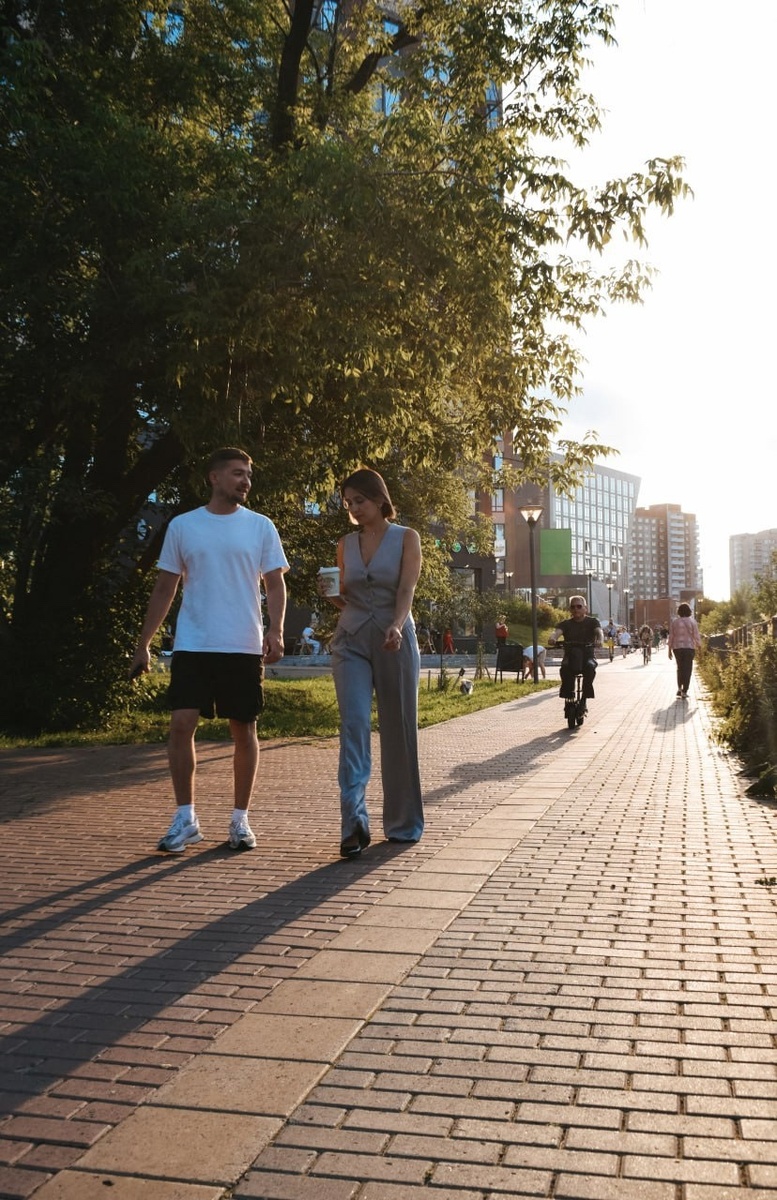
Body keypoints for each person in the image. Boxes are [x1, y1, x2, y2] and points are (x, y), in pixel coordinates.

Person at [129, 447, 289, 853]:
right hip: (193, 642)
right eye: (237, 473)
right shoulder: (184, 526)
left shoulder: (260, 526)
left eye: (248, 475)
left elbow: (274, 583)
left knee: (244, 729)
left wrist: (276, 629)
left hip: (242, 643)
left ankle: (240, 820)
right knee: (181, 724)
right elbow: (165, 586)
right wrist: (144, 643)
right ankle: (186, 819)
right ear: (214, 478)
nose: (245, 481)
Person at [319, 467, 424, 858]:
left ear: (380, 499)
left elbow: (407, 589)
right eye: (348, 503)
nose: (354, 509)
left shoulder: (406, 538)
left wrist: (397, 626)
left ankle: (402, 823)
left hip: (393, 638)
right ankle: (353, 821)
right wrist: (330, 596)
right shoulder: (345, 543)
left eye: (359, 501)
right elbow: (346, 596)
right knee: (355, 723)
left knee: (398, 730)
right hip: (351, 640)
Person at [548, 596, 603, 701]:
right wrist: (553, 638)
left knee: (590, 667)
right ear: (570, 609)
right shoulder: (565, 624)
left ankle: (585, 696)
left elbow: (599, 632)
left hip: (588, 656)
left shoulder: (593, 622)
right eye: (573, 607)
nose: (576, 609)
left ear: (585, 608)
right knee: (565, 668)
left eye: (579, 606)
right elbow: (556, 632)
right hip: (570, 656)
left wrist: (600, 640)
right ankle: (568, 694)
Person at [667, 602, 702, 698]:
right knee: (687, 669)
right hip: (689, 648)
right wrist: (699, 647)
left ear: (679, 611)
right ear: (689, 611)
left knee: (680, 668)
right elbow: (696, 636)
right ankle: (684, 691)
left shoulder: (675, 622)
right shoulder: (692, 622)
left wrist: (669, 650)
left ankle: (679, 688)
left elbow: (671, 637)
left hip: (677, 648)